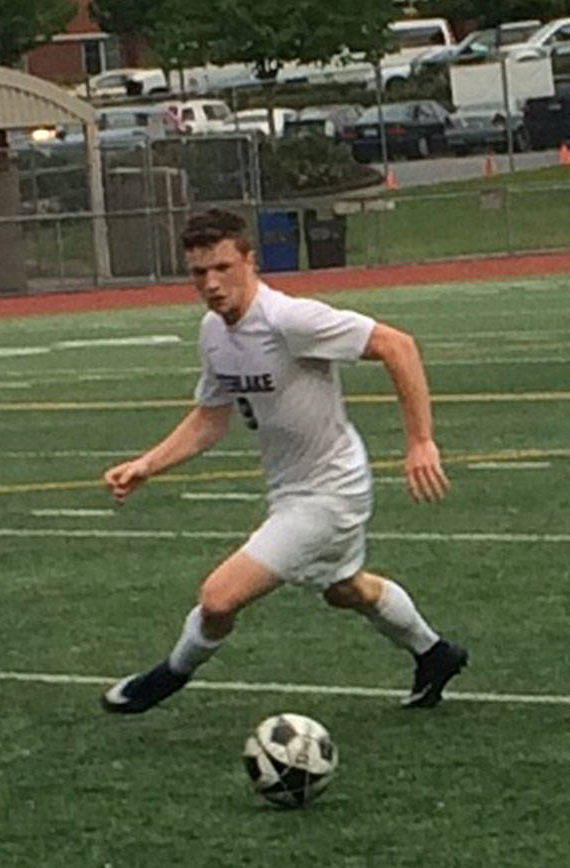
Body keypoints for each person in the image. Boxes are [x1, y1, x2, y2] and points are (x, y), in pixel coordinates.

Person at [100, 208, 467, 714]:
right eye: (199, 272)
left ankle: (169, 674)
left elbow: (397, 346)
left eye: (223, 268)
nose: (211, 283)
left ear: (250, 262)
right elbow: (210, 419)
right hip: (291, 489)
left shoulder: (288, 319)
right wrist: (148, 464)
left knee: (218, 598)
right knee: (345, 590)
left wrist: (420, 441)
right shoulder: (213, 332)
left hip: (330, 493)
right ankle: (435, 653)